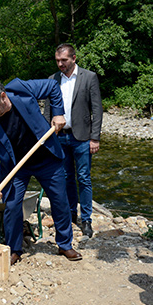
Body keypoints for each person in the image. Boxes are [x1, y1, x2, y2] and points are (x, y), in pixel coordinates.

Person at [0, 77, 81, 266]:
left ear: (3, 96)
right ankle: (14, 249)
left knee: (60, 200)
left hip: (46, 158)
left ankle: (64, 244)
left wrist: (58, 113)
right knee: (13, 206)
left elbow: (52, 86)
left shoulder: (20, 89)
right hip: (16, 167)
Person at [44, 44, 103, 237]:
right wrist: (46, 136)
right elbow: (47, 110)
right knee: (66, 177)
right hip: (59, 136)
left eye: (64, 60)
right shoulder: (52, 79)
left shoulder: (89, 77)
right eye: (58, 61)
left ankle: (86, 219)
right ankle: (70, 214)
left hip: (83, 137)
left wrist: (95, 137)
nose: (60, 64)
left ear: (74, 58)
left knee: (84, 178)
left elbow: (97, 109)